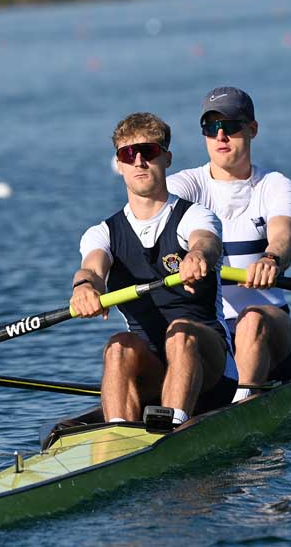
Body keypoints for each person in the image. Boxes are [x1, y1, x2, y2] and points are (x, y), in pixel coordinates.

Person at [70, 112, 238, 427]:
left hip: (211, 368)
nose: (139, 162)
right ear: (119, 164)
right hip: (151, 367)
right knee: (118, 345)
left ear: (166, 158)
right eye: (128, 154)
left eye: (148, 152)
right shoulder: (102, 233)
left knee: (180, 333)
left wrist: (197, 255)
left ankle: (171, 427)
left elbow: (206, 242)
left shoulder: (195, 216)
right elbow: (91, 269)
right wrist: (84, 288)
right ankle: (118, 432)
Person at [167, 86, 291, 403]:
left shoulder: (274, 185)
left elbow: (285, 236)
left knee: (251, 319)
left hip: (270, 326)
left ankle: (241, 406)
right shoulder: (183, 186)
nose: (221, 136)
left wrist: (271, 259)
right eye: (211, 127)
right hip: (212, 332)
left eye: (230, 126)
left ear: (252, 129)